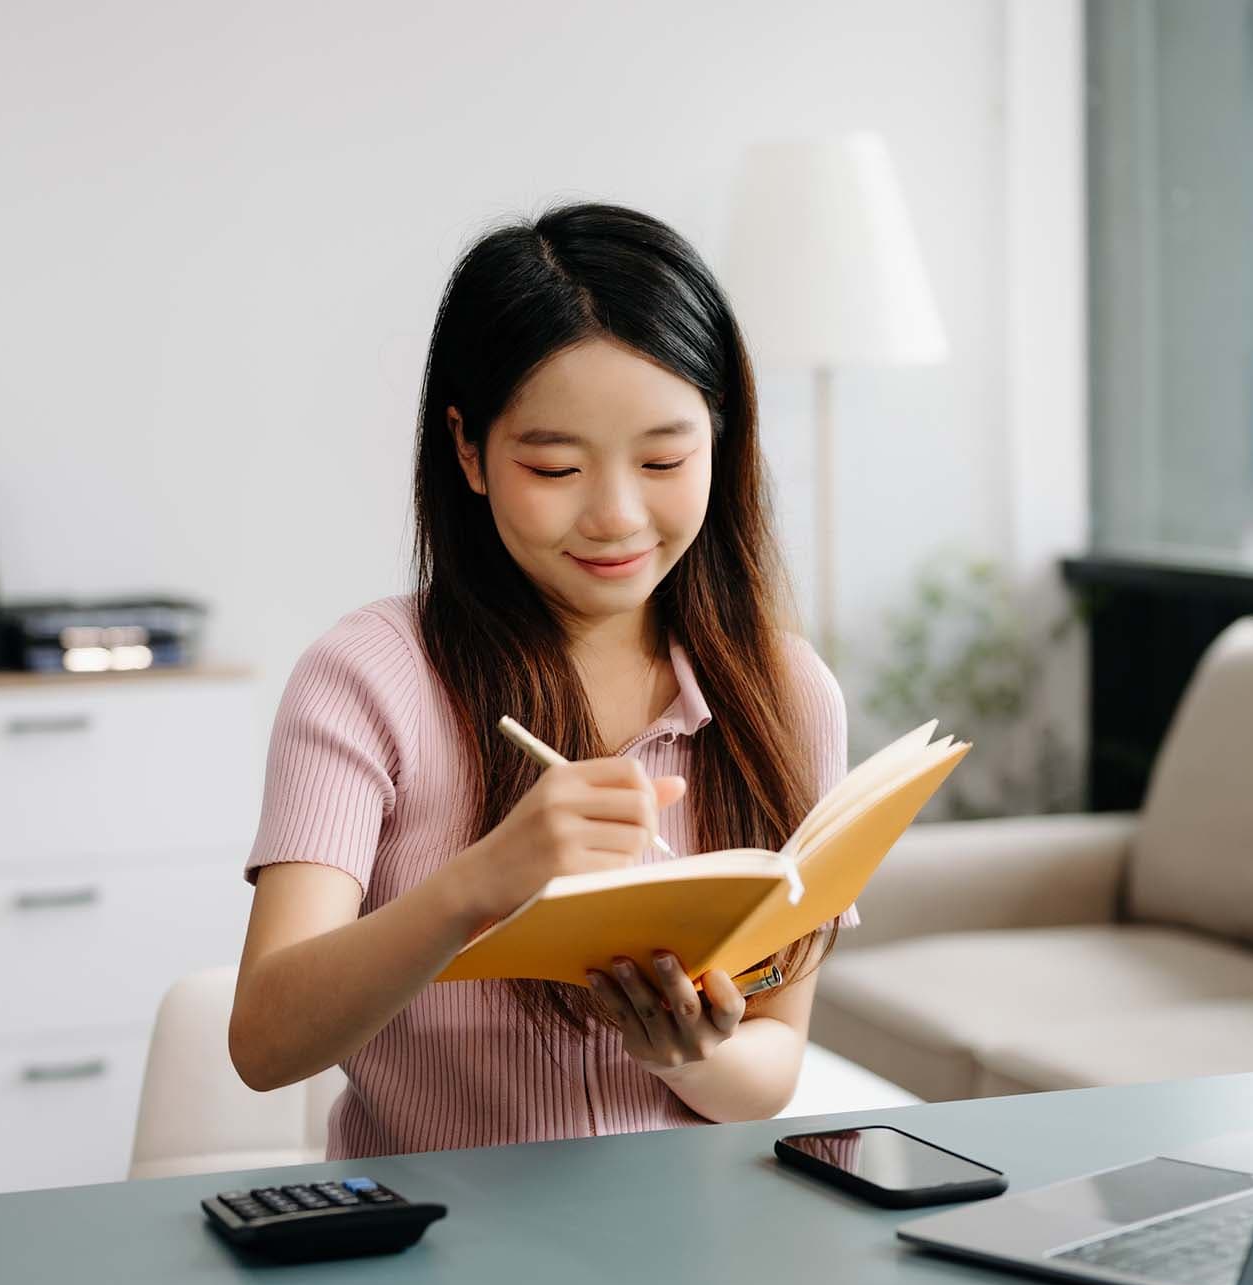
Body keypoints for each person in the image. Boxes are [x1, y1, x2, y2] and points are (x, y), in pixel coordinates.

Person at [229, 203, 854, 1157]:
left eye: (664, 459)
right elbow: (267, 1042)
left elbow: (774, 1061)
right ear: (470, 451)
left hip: (683, 1253)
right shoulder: (365, 681)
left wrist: (686, 1057)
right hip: (438, 1253)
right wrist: (479, 886)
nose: (615, 515)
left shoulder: (785, 693)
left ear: (720, 444)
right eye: (555, 465)